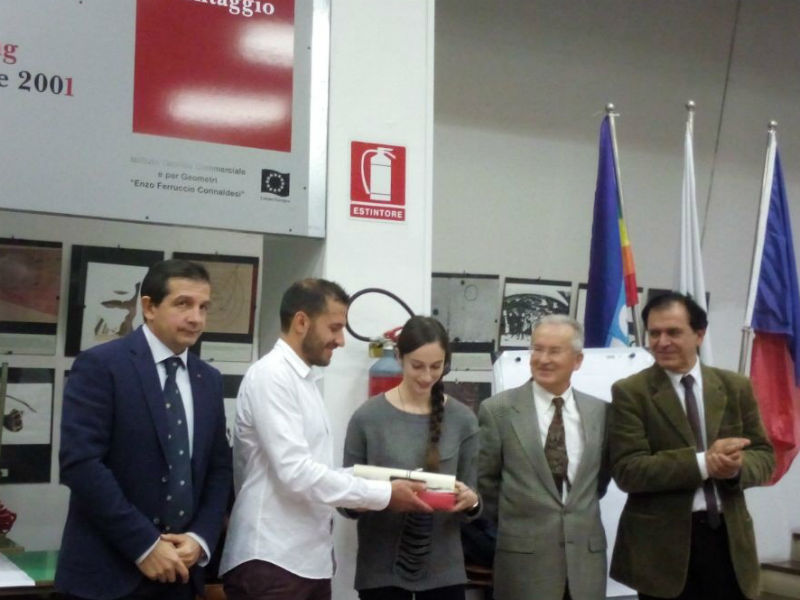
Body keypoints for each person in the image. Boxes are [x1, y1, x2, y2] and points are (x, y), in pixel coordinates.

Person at [220, 278, 432, 600]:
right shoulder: (271, 376)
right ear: (301, 322)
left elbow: (319, 472)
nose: (341, 340)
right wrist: (385, 494)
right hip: (271, 559)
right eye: (334, 328)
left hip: (308, 561)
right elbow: (297, 473)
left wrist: (390, 481)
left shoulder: (305, 380)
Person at [56, 259, 233, 600]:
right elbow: (81, 464)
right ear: (149, 307)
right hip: (108, 576)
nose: (196, 318)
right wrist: (145, 545)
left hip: (180, 575)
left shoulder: (208, 380)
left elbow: (218, 469)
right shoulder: (102, 366)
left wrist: (200, 538)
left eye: (203, 307)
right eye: (183, 304)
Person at [609, 292, 775, 600]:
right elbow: (628, 470)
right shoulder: (631, 392)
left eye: (673, 332)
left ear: (699, 334)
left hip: (729, 543)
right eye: (654, 333)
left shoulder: (735, 387)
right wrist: (703, 464)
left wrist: (737, 467)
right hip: (662, 552)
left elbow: (765, 457)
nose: (662, 342)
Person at [341, 315, 480, 600]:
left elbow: (474, 497)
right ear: (399, 357)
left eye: (436, 366)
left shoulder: (463, 420)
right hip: (380, 573)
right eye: (417, 366)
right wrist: (370, 498)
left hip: (444, 574)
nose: (427, 376)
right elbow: (346, 498)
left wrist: (471, 500)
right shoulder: (367, 418)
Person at [478, 314, 609, 600]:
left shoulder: (600, 412)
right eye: (537, 349)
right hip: (523, 565)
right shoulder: (498, 411)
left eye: (554, 351)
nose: (543, 359)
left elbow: (598, 482)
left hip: (585, 567)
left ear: (577, 360)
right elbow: (485, 485)